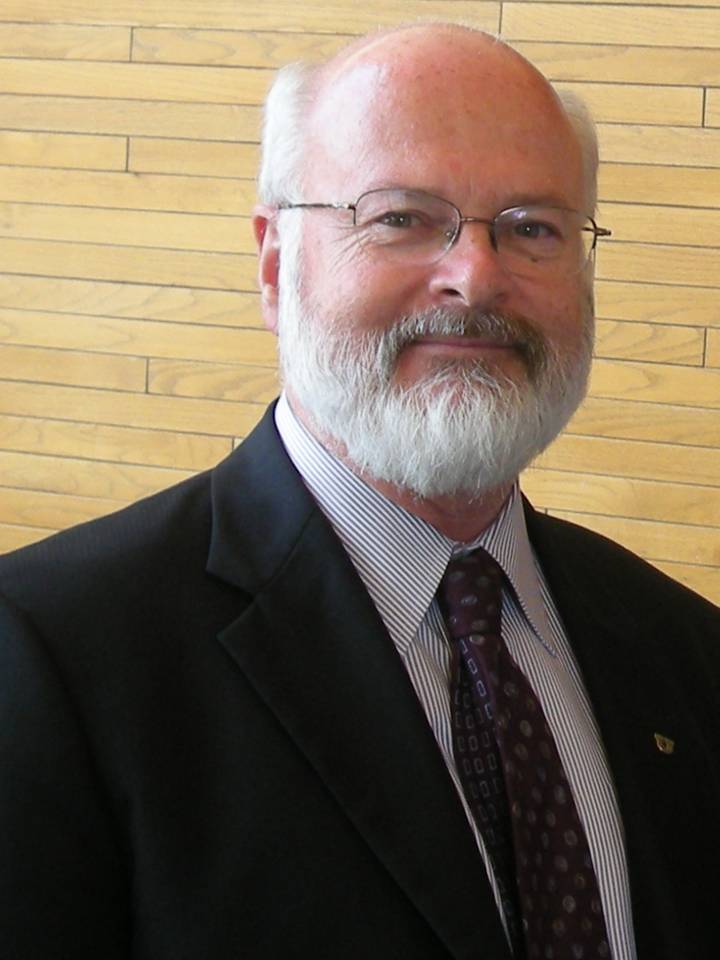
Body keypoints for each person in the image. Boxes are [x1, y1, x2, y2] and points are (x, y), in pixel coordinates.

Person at [0, 23, 718, 960]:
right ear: (273, 266)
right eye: (401, 217)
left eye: (533, 228)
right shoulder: (48, 658)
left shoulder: (687, 654)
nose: (474, 275)